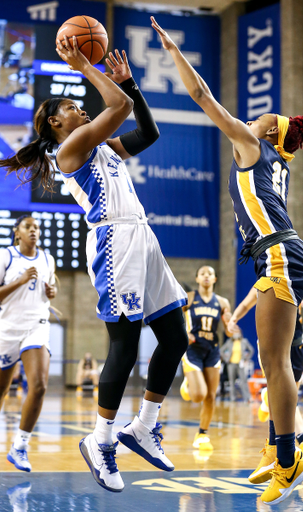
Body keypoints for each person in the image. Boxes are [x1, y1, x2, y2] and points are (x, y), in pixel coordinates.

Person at [150, 16, 303, 505]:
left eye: (258, 119)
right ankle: (279, 450)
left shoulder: (253, 147)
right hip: (283, 252)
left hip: (278, 253)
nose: (249, 119)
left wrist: (173, 52)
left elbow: (202, 97)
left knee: (275, 363)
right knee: (273, 361)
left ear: (266, 135)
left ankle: (290, 460)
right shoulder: (275, 162)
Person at [0, 38, 188, 493]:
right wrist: (87, 65)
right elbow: (117, 105)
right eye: (72, 107)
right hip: (114, 239)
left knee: (175, 337)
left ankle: (143, 426)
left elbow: (147, 133)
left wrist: (133, 88)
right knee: (123, 346)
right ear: (53, 122)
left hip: (142, 235)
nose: (82, 110)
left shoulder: (102, 149)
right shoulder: (70, 152)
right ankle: (101, 441)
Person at [227, 274, 303, 484]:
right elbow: (245, 304)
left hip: (296, 345)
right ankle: (302, 441)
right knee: (278, 388)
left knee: (290, 398)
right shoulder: (263, 283)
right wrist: (233, 319)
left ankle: (267, 400)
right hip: (271, 344)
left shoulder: (297, 283)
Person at [0, 214, 57, 472]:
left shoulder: (47, 259)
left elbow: (50, 290)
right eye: (27, 227)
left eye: (36, 227)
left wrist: (51, 293)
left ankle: (20, 446)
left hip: (37, 325)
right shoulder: (6, 257)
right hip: (7, 328)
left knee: (39, 385)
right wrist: (19, 281)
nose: (33, 230)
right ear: (17, 232)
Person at [180, 265, 231, 451]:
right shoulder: (190, 298)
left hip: (212, 350)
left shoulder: (223, 302)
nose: (207, 276)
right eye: (203, 273)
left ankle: (202, 434)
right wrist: (184, 333)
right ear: (197, 279)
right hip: (193, 350)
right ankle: (188, 383)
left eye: (210, 273)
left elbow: (228, 331)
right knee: (198, 395)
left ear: (215, 279)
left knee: (210, 396)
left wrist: (230, 325)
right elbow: (175, 316)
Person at [220, 327, 254, 402]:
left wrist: (246, 358)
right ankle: (233, 398)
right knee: (231, 382)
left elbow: (251, 350)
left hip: (240, 364)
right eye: (235, 332)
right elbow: (222, 350)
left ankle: (247, 397)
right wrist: (226, 359)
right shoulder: (229, 342)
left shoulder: (244, 341)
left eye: (237, 332)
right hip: (231, 364)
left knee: (243, 381)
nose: (236, 333)